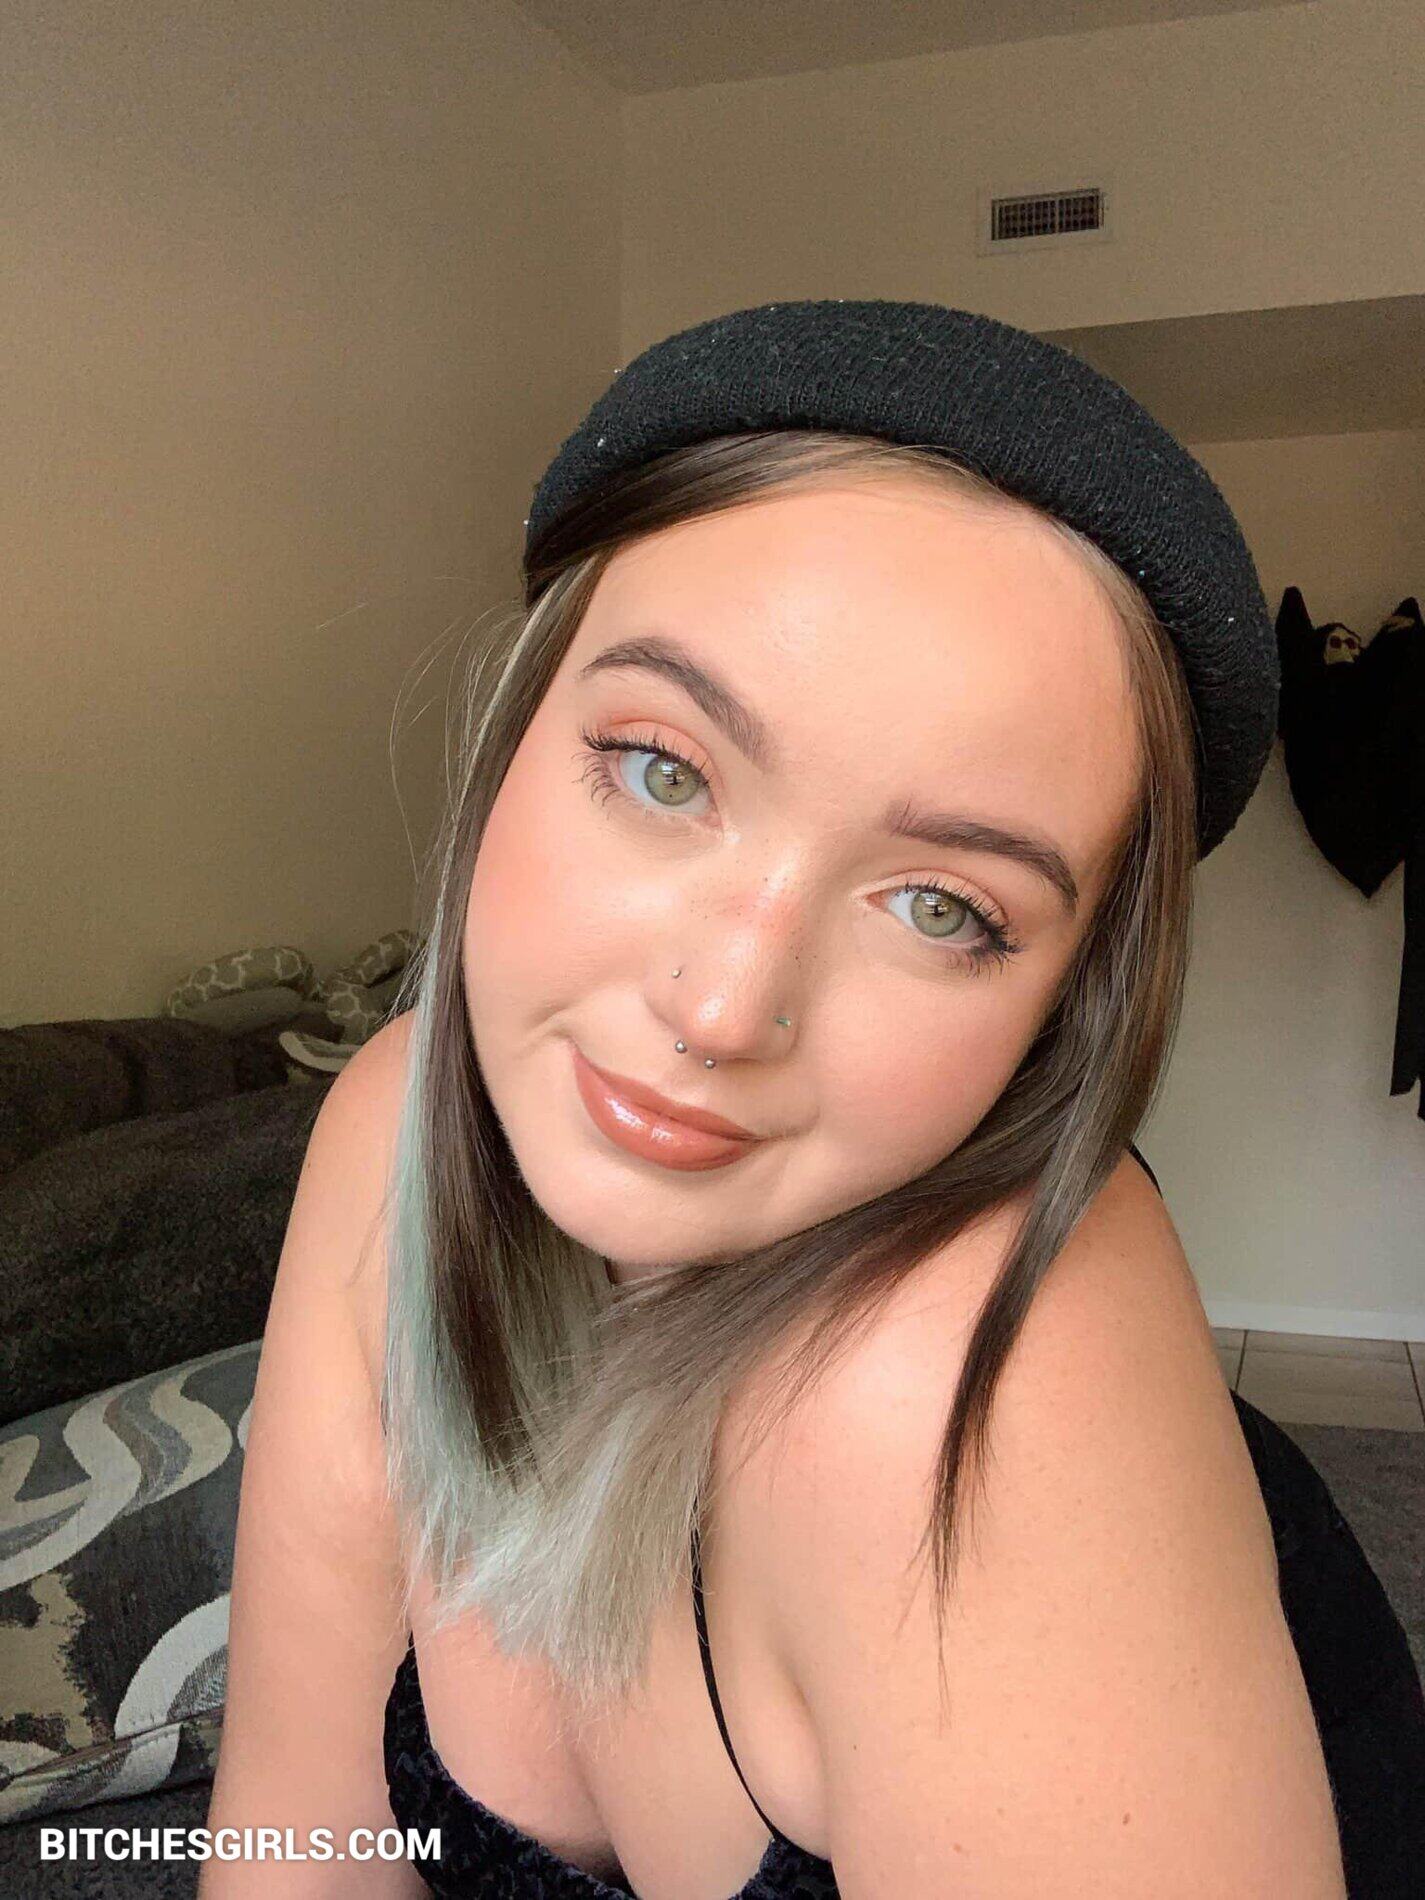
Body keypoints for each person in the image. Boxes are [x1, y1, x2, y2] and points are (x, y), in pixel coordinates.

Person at [203, 301, 1424, 1898]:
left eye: (940, 907)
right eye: (664, 771)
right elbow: (293, 1841)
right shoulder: (392, 1125)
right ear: (514, 731)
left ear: (1059, 1010)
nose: (721, 1012)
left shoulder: (964, 1385)